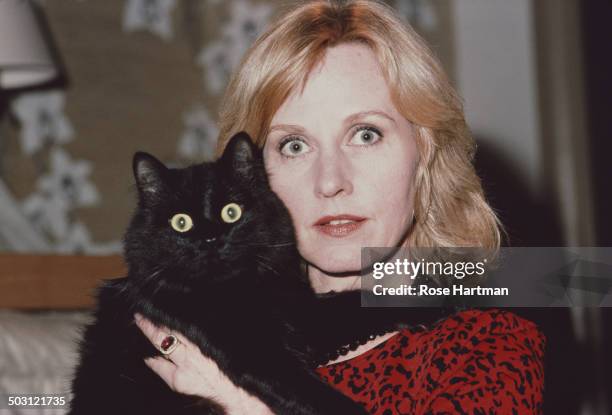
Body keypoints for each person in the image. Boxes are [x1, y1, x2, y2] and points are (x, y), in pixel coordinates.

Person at [133, 0, 545, 413]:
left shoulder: (485, 348)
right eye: (294, 146)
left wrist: (247, 405)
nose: (330, 182)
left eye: (366, 135)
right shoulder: (178, 339)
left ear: (425, 152)